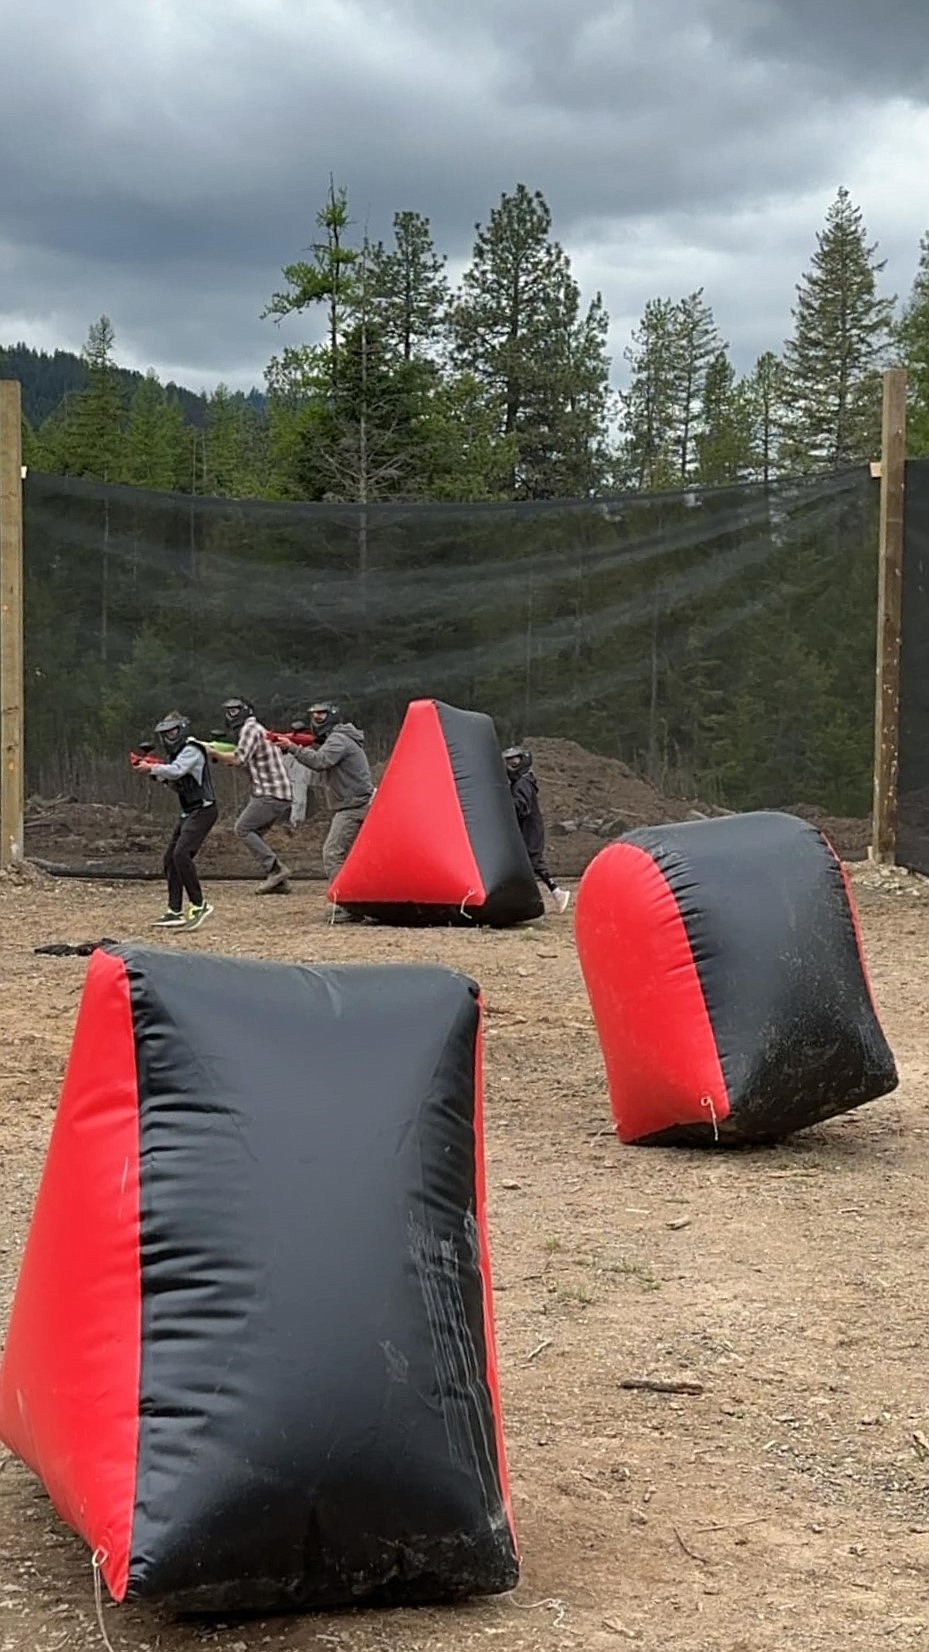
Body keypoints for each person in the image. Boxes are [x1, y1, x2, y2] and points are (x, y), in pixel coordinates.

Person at [278, 702, 374, 923]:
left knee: (332, 853)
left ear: (332, 716)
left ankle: (348, 906)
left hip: (354, 806)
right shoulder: (340, 738)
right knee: (353, 858)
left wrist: (292, 747)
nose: (317, 719)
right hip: (357, 803)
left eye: (321, 715)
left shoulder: (338, 740)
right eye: (314, 715)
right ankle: (358, 902)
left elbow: (321, 762)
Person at [133, 712, 217, 930]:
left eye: (172, 732)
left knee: (181, 854)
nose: (169, 737)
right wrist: (155, 774)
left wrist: (152, 768)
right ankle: (175, 910)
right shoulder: (176, 756)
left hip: (204, 809)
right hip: (189, 811)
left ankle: (199, 905)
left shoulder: (191, 749)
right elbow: (174, 780)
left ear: (182, 730)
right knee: (170, 859)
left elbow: (177, 771)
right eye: (165, 734)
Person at [209, 697, 293, 893]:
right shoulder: (255, 729)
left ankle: (276, 870)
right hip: (274, 791)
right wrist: (221, 754)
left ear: (245, 711)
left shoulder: (250, 729)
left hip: (271, 792)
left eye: (235, 711)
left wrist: (210, 751)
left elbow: (238, 759)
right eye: (229, 711)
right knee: (255, 834)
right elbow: (244, 761)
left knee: (243, 829)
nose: (231, 715)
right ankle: (279, 882)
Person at [502, 745, 571, 914]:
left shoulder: (523, 782)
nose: (512, 763)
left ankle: (552, 894)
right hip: (528, 828)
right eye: (509, 761)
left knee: (532, 862)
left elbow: (521, 807)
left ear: (524, 760)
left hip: (530, 829)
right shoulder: (522, 781)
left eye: (515, 760)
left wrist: (504, 805)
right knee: (531, 863)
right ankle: (555, 893)